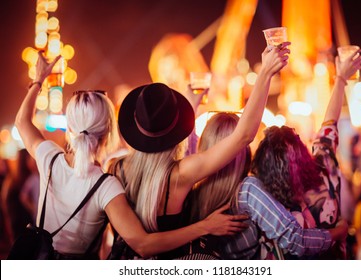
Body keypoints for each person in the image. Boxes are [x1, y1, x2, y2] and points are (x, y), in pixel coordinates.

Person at [14, 51, 250, 259]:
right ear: (108, 129)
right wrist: (205, 226)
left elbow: (22, 122)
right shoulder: (106, 186)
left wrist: (38, 80)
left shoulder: (50, 158)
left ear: (70, 128)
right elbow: (144, 245)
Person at [111, 43, 291, 259]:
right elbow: (242, 136)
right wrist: (265, 72)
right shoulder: (181, 173)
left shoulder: (115, 169)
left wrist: (191, 104)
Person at [250, 48, 361, 259]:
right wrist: (340, 78)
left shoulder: (264, 199)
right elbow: (330, 123)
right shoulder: (323, 169)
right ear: (302, 152)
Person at [189, 112, 348, 259]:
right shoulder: (248, 190)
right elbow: (295, 240)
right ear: (241, 149)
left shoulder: (193, 188)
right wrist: (338, 232)